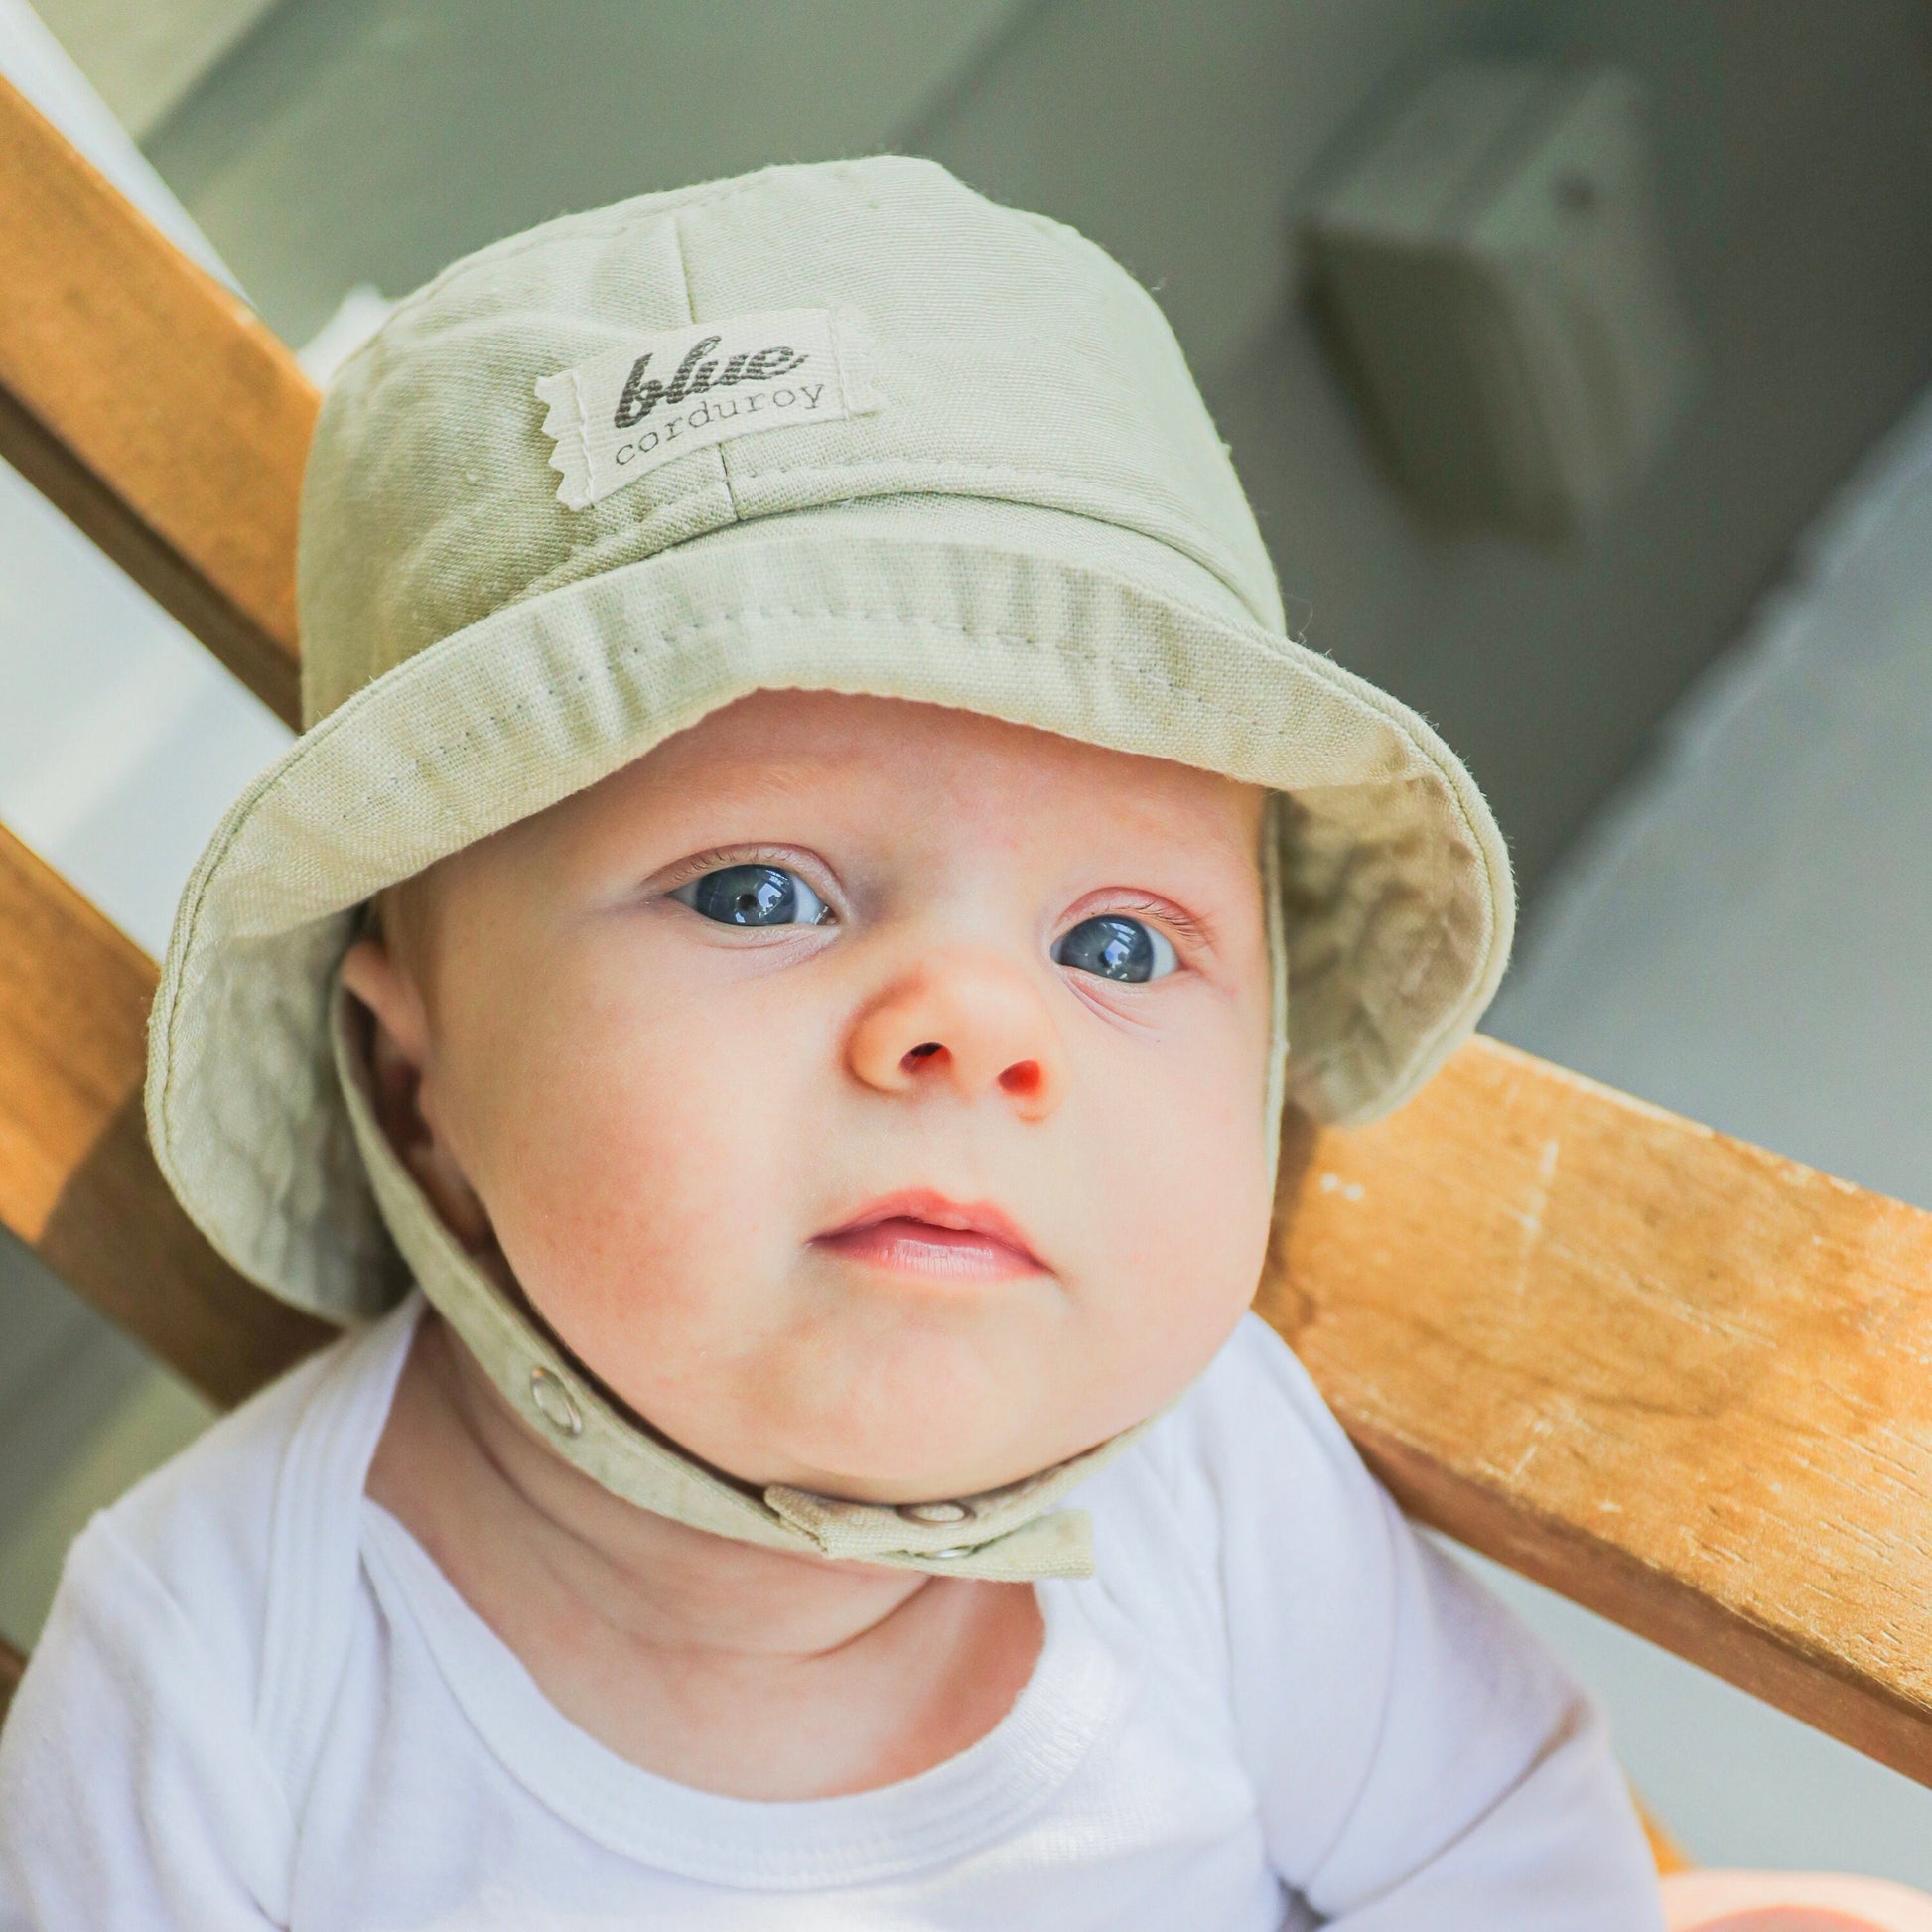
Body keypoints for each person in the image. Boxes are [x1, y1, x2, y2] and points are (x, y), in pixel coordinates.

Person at [0, 154, 1917, 1930]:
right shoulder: (218, 1676)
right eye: (760, 894)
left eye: (1112, 939)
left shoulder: (1206, 1480)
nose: (974, 1029)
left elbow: (1490, 1845)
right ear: (417, 1086)